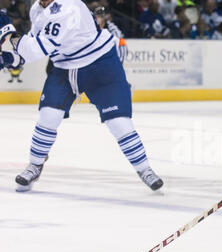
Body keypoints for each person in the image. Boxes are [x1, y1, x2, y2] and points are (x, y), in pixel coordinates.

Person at [0, 0, 163, 192]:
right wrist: (14, 58)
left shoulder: (68, 7)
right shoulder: (37, 8)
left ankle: (144, 169)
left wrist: (8, 34)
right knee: (48, 116)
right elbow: (34, 40)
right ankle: (35, 165)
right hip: (64, 66)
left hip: (100, 64)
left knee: (119, 123)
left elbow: (35, 49)